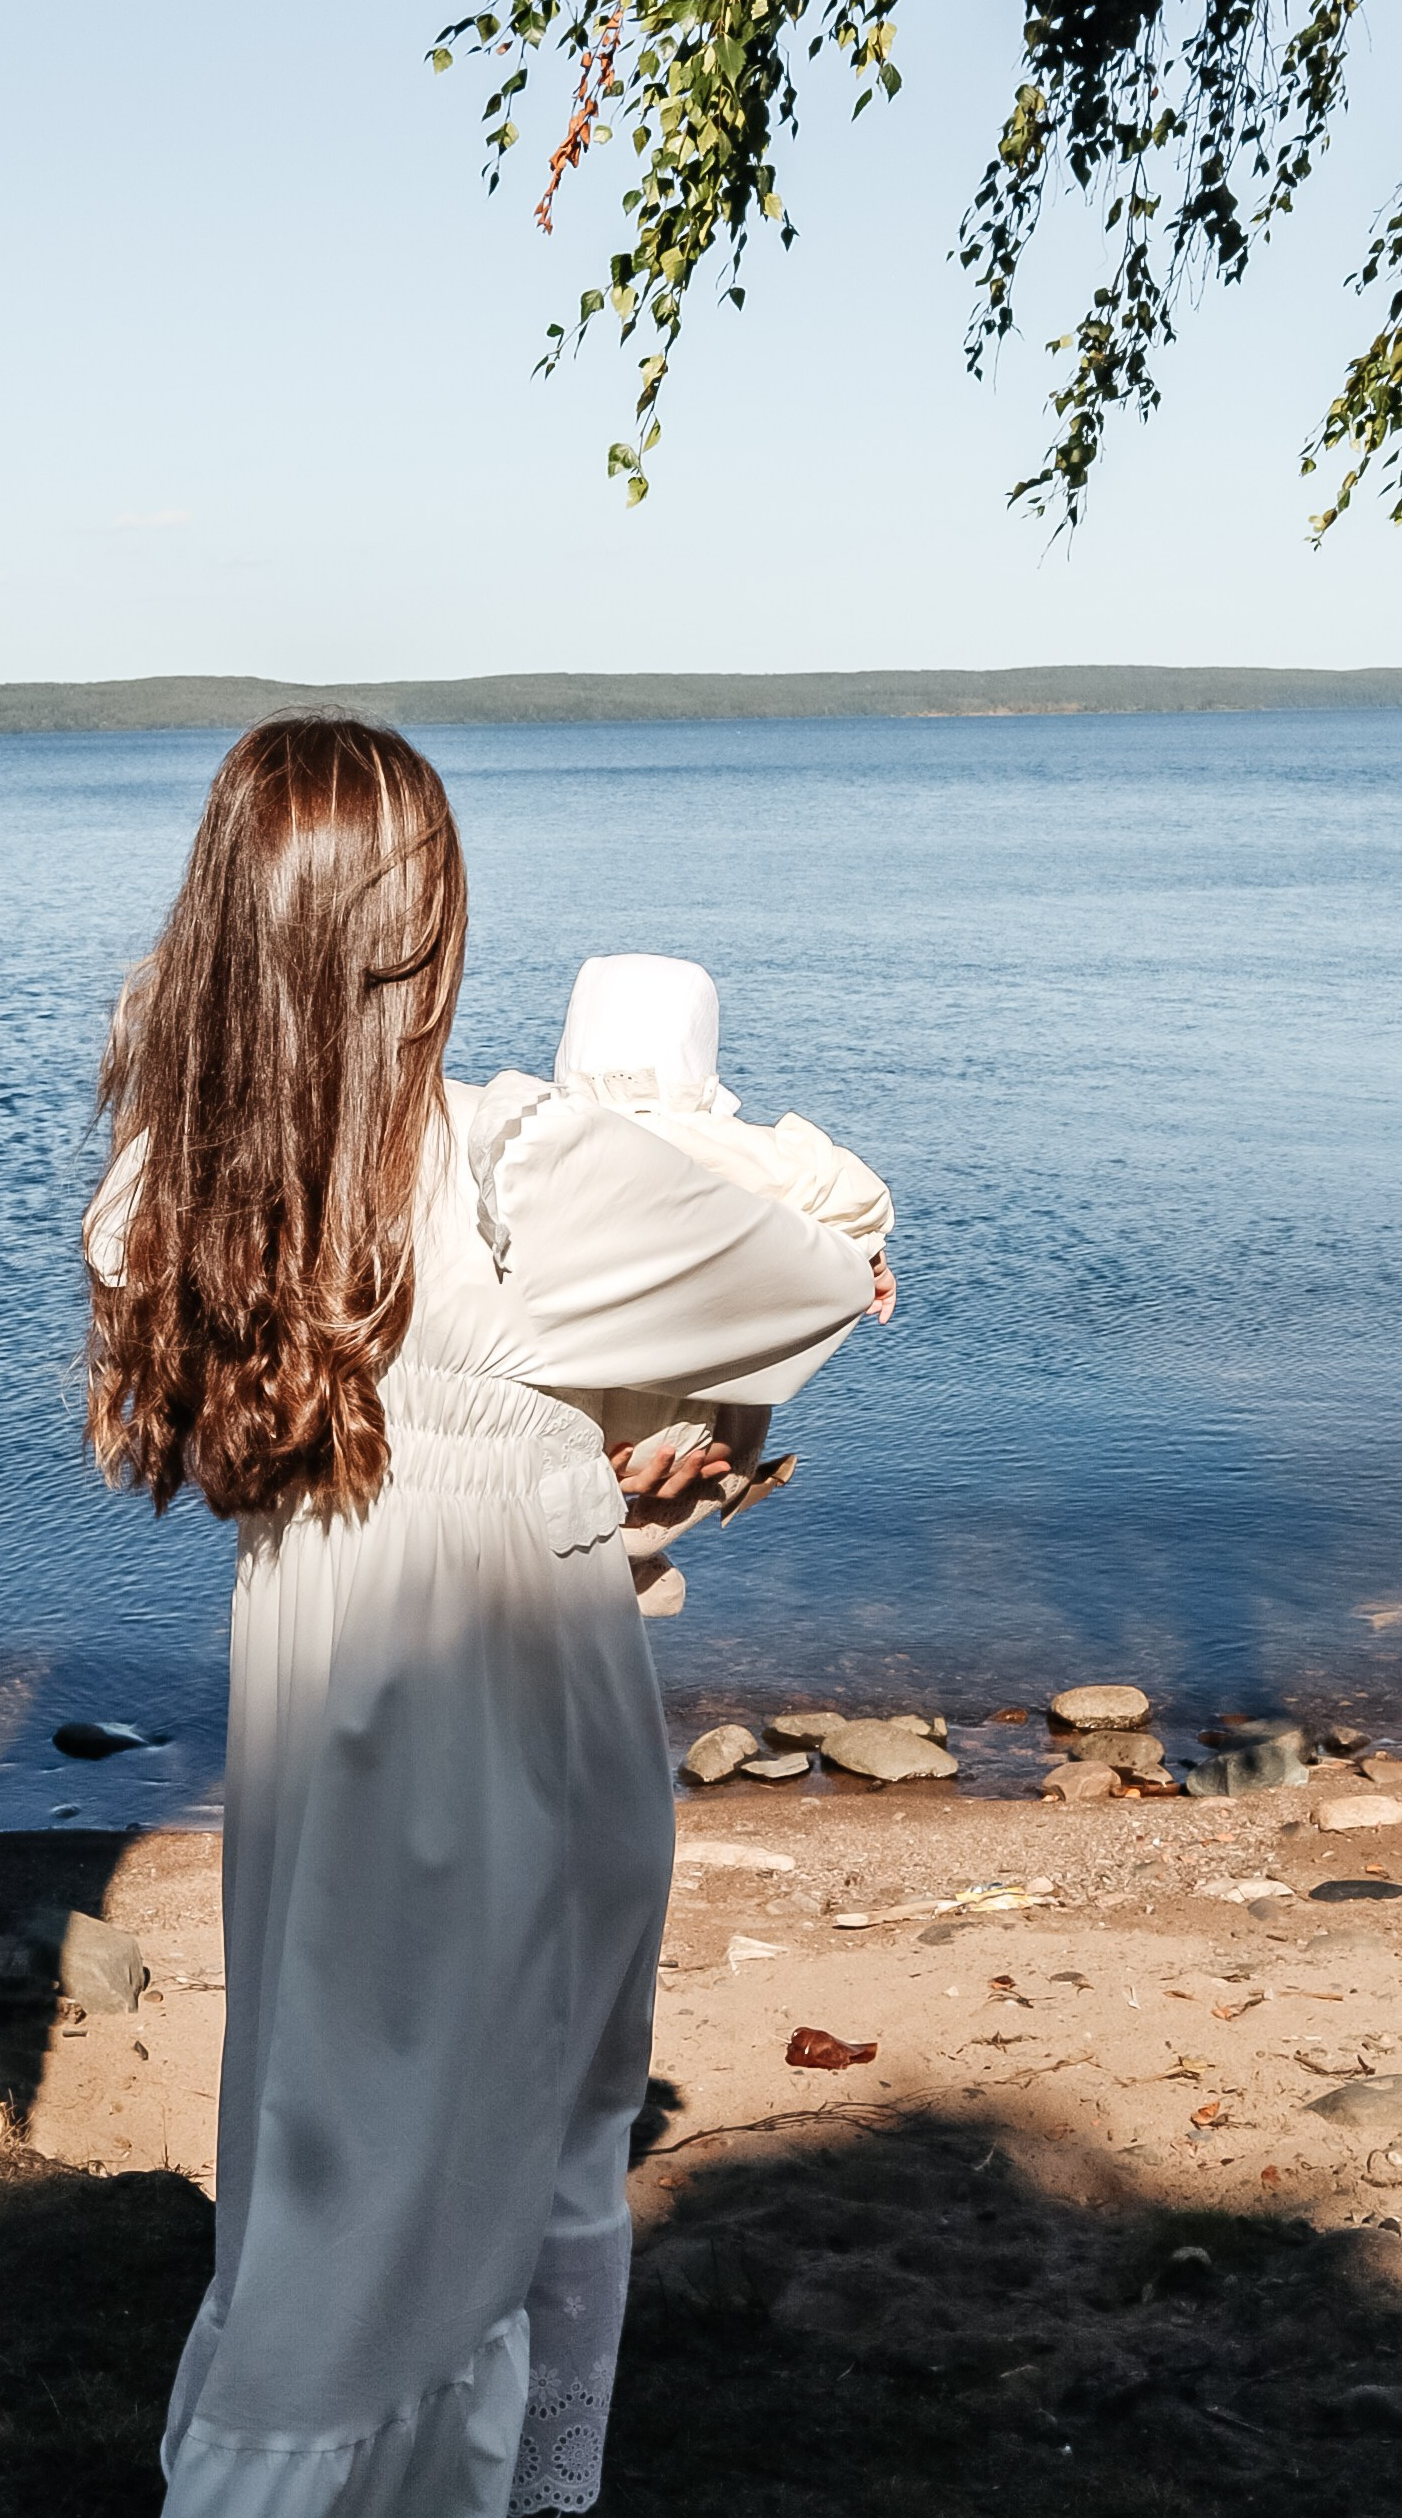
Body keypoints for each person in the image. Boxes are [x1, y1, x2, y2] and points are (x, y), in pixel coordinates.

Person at [81, 719, 875, 2518]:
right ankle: (521, 2486)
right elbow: (827, 1263)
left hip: (326, 1700)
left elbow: (409, 1422)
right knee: (551, 2143)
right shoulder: (526, 1172)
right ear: (425, 927)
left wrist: (587, 1467)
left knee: (332, 2142)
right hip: (523, 1699)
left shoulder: (176, 1195)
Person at [538, 953, 897, 1615]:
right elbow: (852, 1192)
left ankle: (618, 1557)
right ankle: (641, 1546)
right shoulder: (715, 1147)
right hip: (664, 1434)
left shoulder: (525, 1141)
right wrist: (868, 1261)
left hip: (554, 1417)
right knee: (751, 1372)